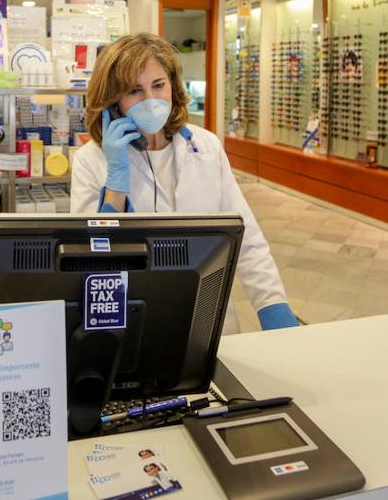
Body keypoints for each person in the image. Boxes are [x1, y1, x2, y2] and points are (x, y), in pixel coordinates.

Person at [71, 33, 298, 333]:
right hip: (134, 321)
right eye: (134, 91)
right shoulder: (92, 159)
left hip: (208, 313)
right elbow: (93, 258)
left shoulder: (205, 146)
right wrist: (116, 181)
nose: (151, 101)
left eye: (158, 85)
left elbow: (245, 235)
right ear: (113, 102)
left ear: (173, 86)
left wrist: (272, 304)